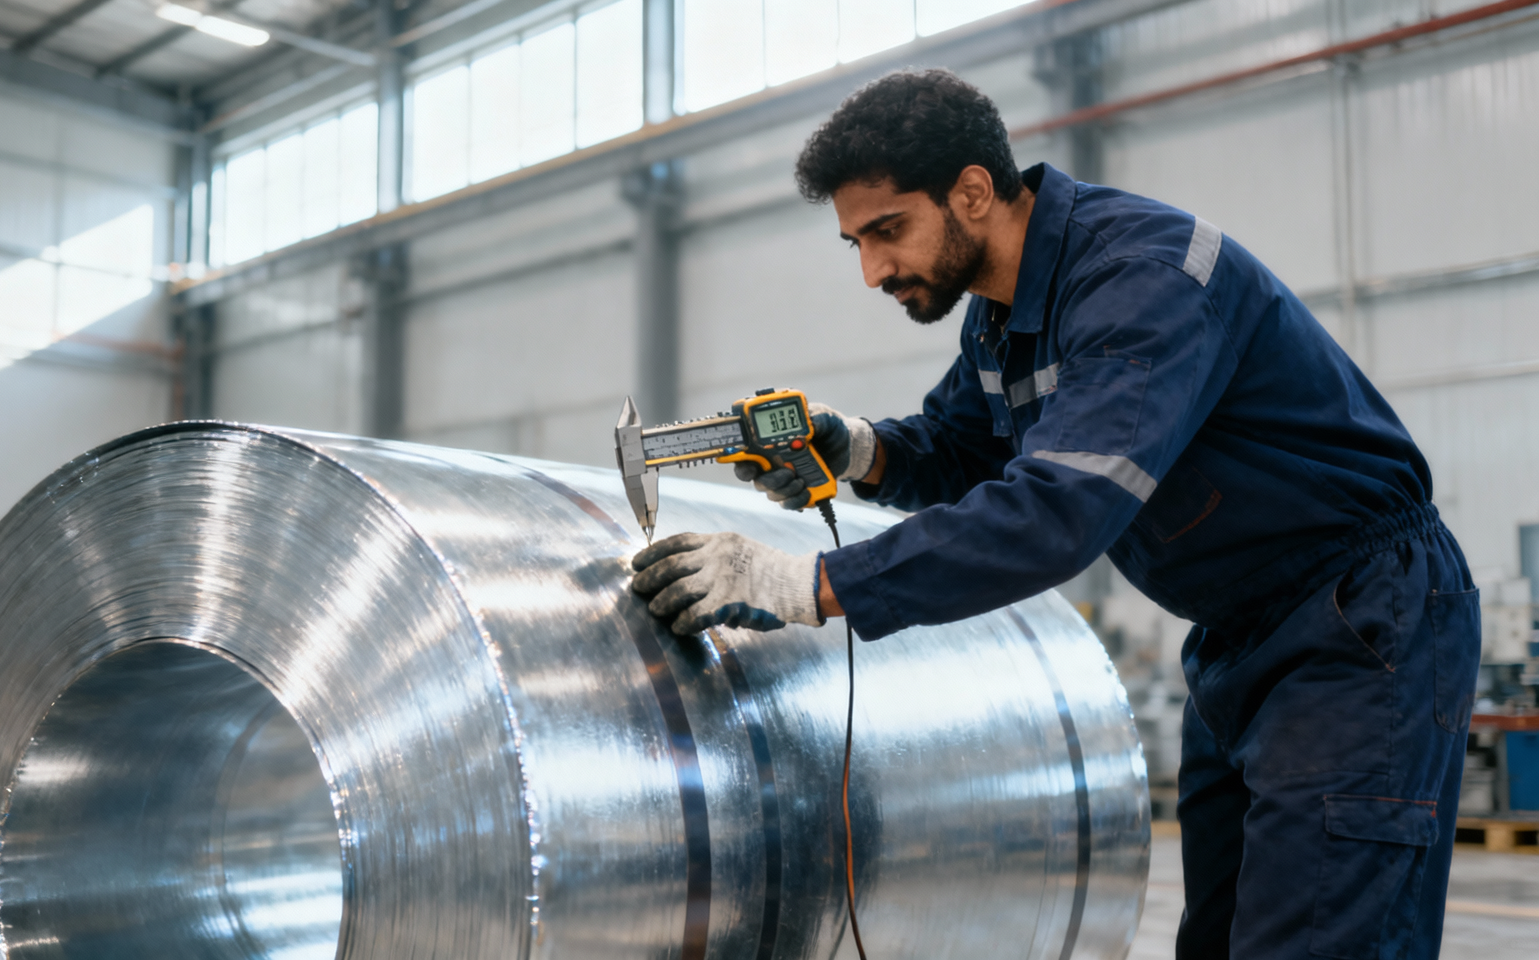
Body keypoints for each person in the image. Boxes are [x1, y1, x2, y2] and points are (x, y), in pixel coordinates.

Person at [629, 69, 1481, 959]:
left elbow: (1056, 511)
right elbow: (960, 450)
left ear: (971, 191)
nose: (875, 269)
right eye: (855, 244)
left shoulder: (1139, 279)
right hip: (1241, 634)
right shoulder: (1002, 319)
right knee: (1225, 938)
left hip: (1360, 619)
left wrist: (803, 583)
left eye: (889, 231)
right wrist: (851, 446)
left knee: (1319, 940)